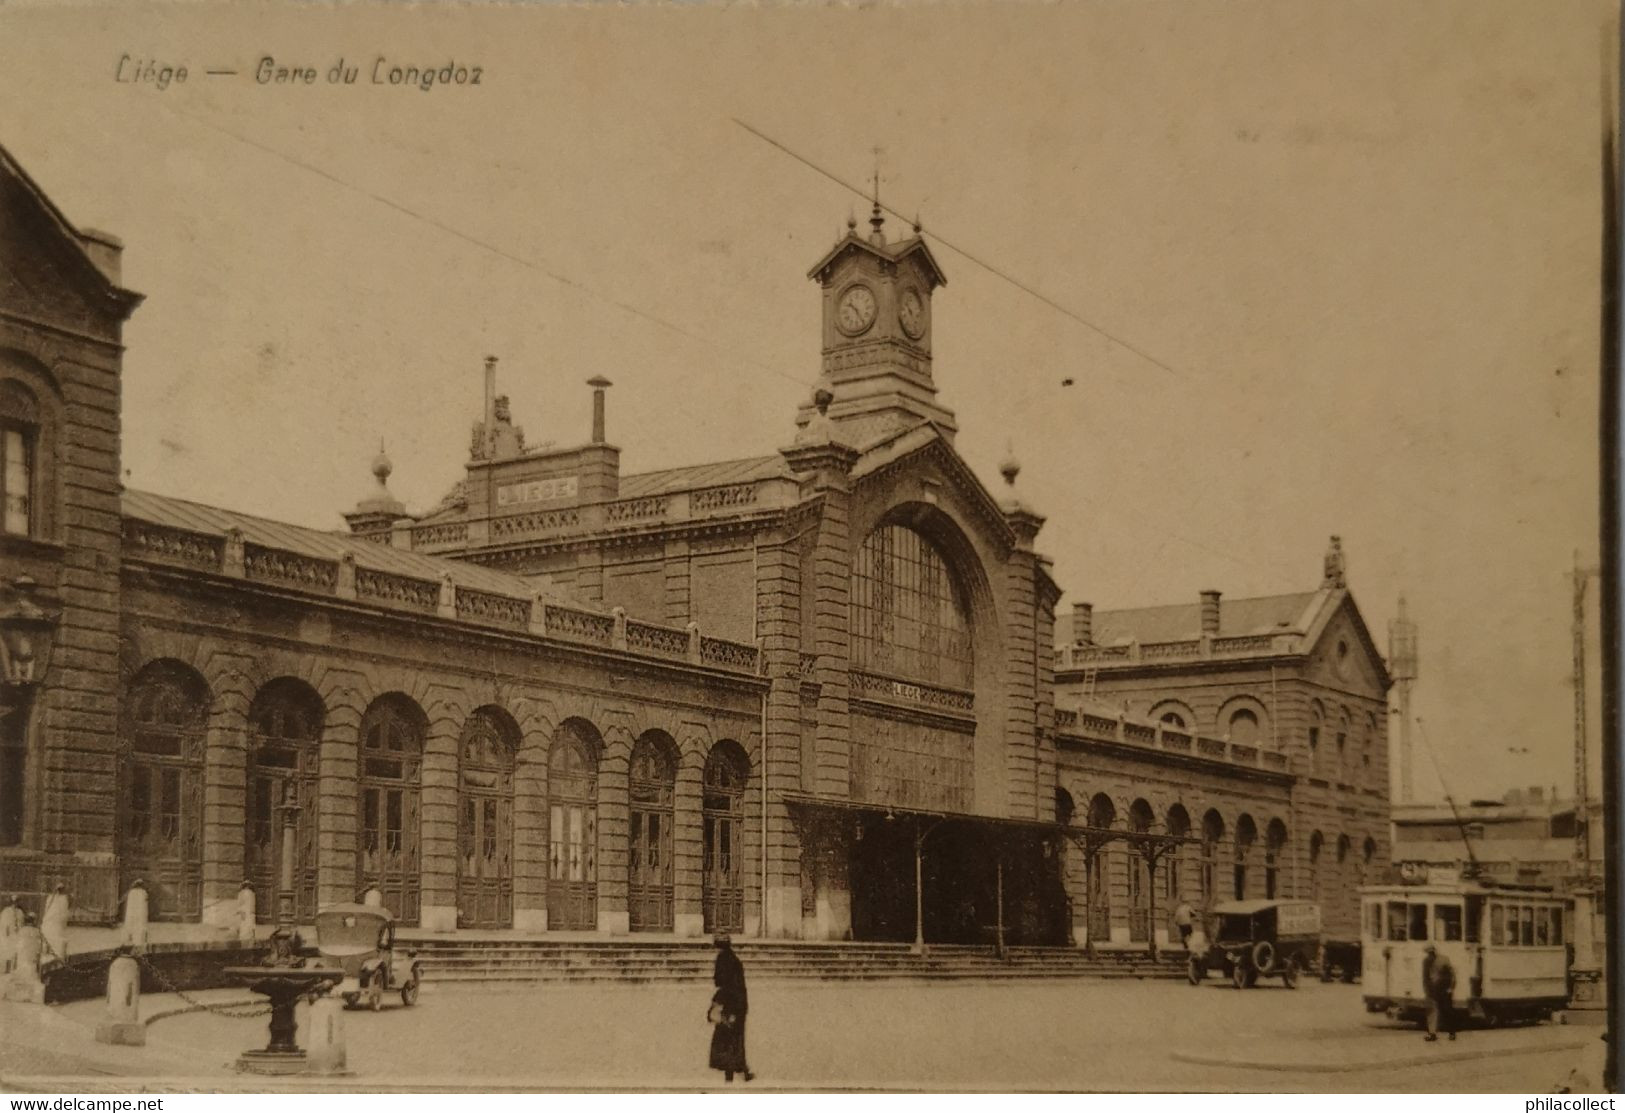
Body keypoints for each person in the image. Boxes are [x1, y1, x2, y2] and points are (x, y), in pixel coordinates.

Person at [708, 934, 753, 1083]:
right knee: (736, 1038)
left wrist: (719, 1003)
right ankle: (741, 1071)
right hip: (739, 1003)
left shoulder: (723, 960)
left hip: (731, 1004)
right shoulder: (734, 959)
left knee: (727, 1038)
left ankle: (733, 1074)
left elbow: (721, 983)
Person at [1421, 944, 1457, 1042]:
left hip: (1443, 989)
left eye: (1431, 952)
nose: (1430, 954)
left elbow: (1452, 974)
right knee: (1433, 1012)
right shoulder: (1426, 961)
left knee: (1446, 1011)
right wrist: (1427, 989)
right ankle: (1433, 1034)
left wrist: (1451, 987)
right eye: (1428, 952)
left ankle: (1451, 1032)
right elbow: (1425, 977)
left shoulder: (1443, 960)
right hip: (1433, 990)